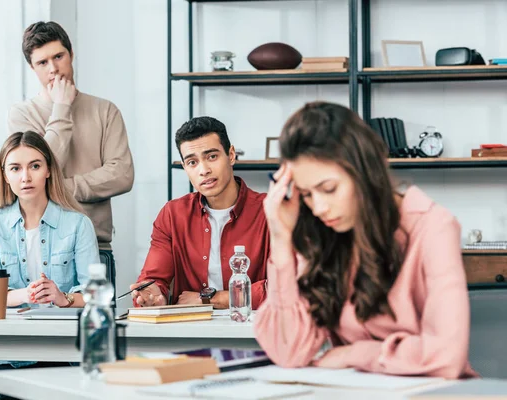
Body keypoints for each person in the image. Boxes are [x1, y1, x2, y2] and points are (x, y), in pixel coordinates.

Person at [256, 102, 476, 378]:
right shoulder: (323, 234)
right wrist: (280, 238)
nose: (319, 207)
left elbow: (446, 357)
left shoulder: (433, 227)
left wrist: (353, 354)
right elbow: (288, 352)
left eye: (329, 188)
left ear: (364, 172)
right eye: (307, 194)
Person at [7, 21, 133, 290]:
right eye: (42, 63)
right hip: (37, 245)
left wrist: (62, 187)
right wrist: (61, 108)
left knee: (98, 330)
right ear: (32, 67)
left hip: (96, 247)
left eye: (58, 57)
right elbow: (35, 169)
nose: (53, 68)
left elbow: (122, 174)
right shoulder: (22, 114)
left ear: (71, 54)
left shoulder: (105, 110)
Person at [0, 131, 100, 370]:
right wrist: (28, 294)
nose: (25, 177)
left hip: (67, 349)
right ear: (5, 175)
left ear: (48, 170)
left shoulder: (78, 225)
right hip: (13, 349)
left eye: (34, 166)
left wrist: (61, 298)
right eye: (15, 168)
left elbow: (96, 297)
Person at [131, 117, 269, 309]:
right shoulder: (172, 215)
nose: (203, 170)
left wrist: (213, 299)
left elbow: (287, 290)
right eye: (192, 162)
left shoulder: (270, 211)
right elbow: (154, 280)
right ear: (185, 167)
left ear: (231, 155)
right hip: (192, 331)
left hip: (255, 329)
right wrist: (152, 295)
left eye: (212, 156)